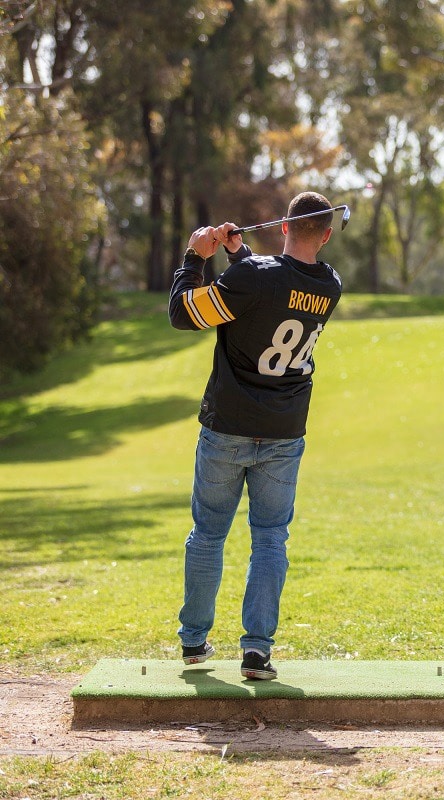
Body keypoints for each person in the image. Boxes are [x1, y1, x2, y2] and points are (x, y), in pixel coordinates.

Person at [168, 192, 343, 681]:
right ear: (326, 235)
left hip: (227, 427)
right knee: (270, 539)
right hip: (284, 433)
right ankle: (256, 652)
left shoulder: (252, 278)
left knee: (208, 536)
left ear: (284, 226)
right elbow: (274, 288)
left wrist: (194, 258)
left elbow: (184, 313)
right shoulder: (330, 284)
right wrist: (238, 256)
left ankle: (194, 643)